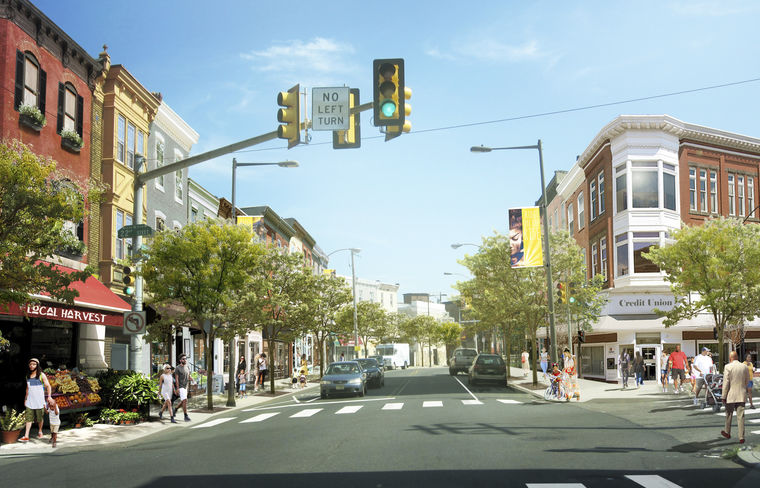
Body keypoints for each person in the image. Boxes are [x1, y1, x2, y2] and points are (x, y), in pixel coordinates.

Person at [20, 358, 52, 442]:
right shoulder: (28, 375)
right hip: (30, 400)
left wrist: (49, 396)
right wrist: (25, 398)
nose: (31, 366)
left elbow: (48, 386)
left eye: (34, 364)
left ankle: (40, 430)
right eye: (30, 364)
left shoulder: (41, 375)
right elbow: (27, 388)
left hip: (39, 401)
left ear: (37, 365)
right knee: (28, 418)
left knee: (39, 418)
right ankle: (26, 435)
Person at [721, 351, 750, 444]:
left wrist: (723, 396)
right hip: (741, 393)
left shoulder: (728, 367)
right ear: (737, 357)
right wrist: (743, 388)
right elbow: (747, 380)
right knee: (741, 416)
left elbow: (726, 383)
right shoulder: (744, 366)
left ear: (730, 358)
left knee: (729, 414)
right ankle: (741, 437)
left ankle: (727, 432)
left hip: (731, 394)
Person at [174, 354, 191, 422]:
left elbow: (188, 376)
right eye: (183, 359)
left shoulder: (187, 367)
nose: (185, 360)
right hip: (181, 387)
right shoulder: (177, 368)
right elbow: (176, 379)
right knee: (184, 400)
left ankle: (175, 409)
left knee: (184, 400)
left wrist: (191, 379)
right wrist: (177, 388)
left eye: (185, 359)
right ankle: (185, 415)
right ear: (180, 360)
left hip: (186, 386)